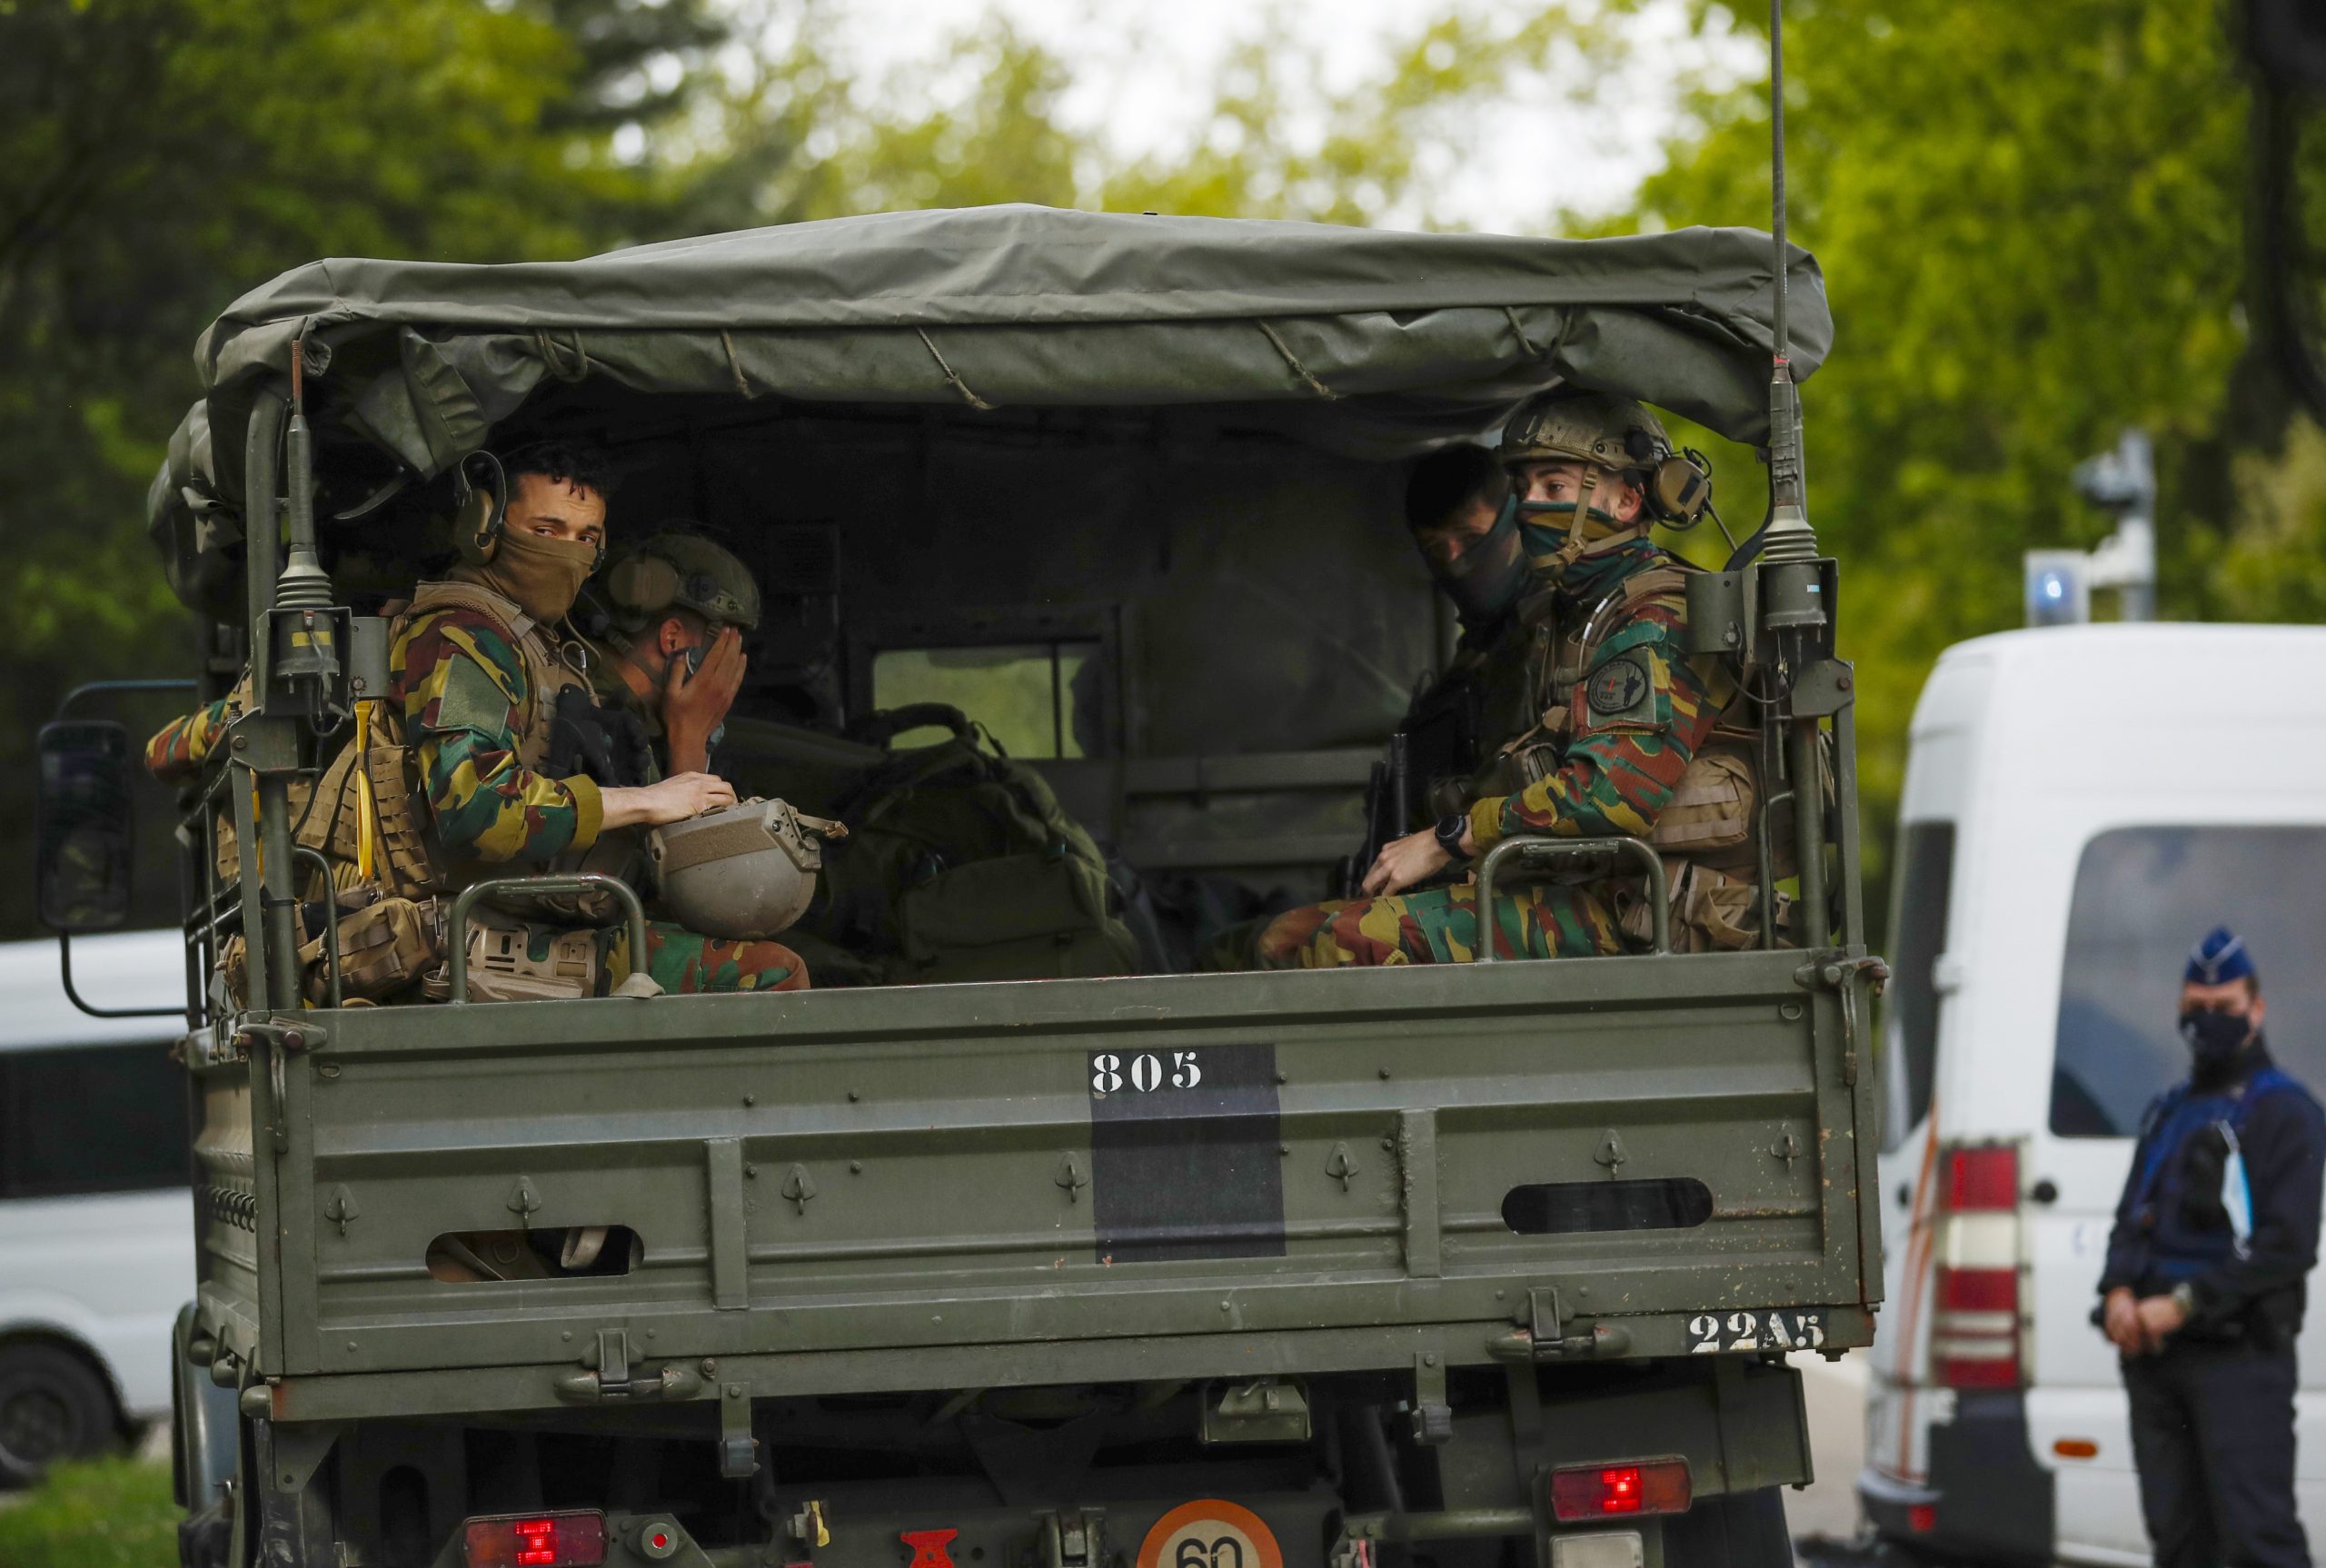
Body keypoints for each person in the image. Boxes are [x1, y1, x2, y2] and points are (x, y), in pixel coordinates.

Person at [147, 442, 809, 997]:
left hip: (513, 919)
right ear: (485, 528)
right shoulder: (466, 636)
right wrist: (646, 801)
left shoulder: (542, 646)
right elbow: (475, 809)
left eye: (586, 539)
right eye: (545, 532)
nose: (566, 555)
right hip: (454, 935)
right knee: (770, 975)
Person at [1244, 390, 1738, 968]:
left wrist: (1446, 838)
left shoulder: (1660, 615)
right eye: (1523, 488)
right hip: (1581, 890)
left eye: (1553, 487)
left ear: (1628, 500)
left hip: (1650, 911)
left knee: (1336, 942)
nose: (1531, 506)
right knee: (1289, 933)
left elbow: (1610, 799)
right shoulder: (1567, 619)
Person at [2099, 926, 2325, 1568]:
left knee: (2258, 1542)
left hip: (2238, 1364)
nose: (2208, 1021)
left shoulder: (2287, 1113)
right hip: (2155, 1364)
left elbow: (2288, 1245)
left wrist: (2184, 1303)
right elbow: (2129, 1217)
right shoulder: (2169, 1111)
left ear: (2256, 1009)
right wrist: (2117, 1290)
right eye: (2195, 1007)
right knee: (2178, 1547)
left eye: (2223, 1009)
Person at [581, 529, 759, 780]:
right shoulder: (594, 714)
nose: (726, 666)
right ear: (672, 639)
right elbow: (678, 820)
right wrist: (690, 738)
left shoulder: (644, 720)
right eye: (721, 646)